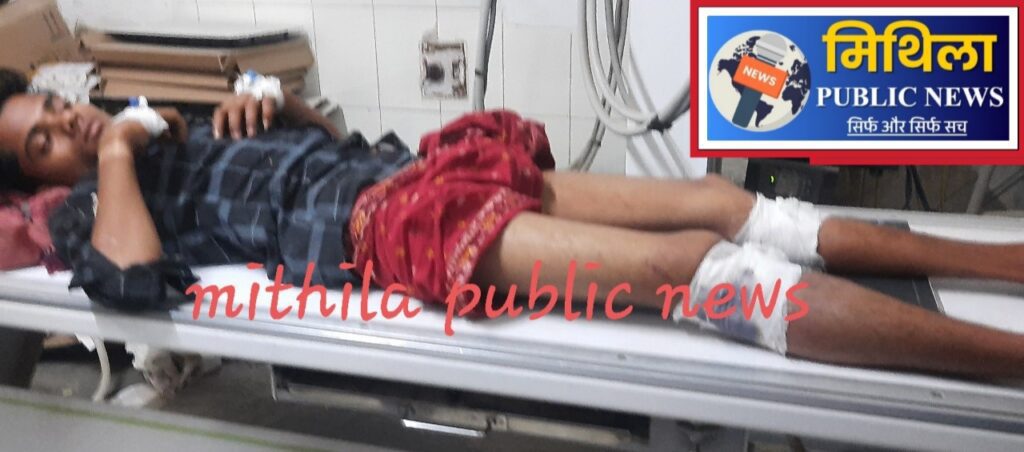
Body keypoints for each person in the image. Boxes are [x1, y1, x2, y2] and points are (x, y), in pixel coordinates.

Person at [1, 67, 1023, 379]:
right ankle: (1006, 361)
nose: (65, 123)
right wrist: (117, 150)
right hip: (383, 229)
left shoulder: (167, 127)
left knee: (724, 200)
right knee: (693, 267)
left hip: (416, 169)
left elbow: (333, 146)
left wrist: (287, 107)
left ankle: (1001, 259)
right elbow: (131, 282)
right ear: (32, 180)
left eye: (52, 106)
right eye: (42, 140)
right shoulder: (92, 202)